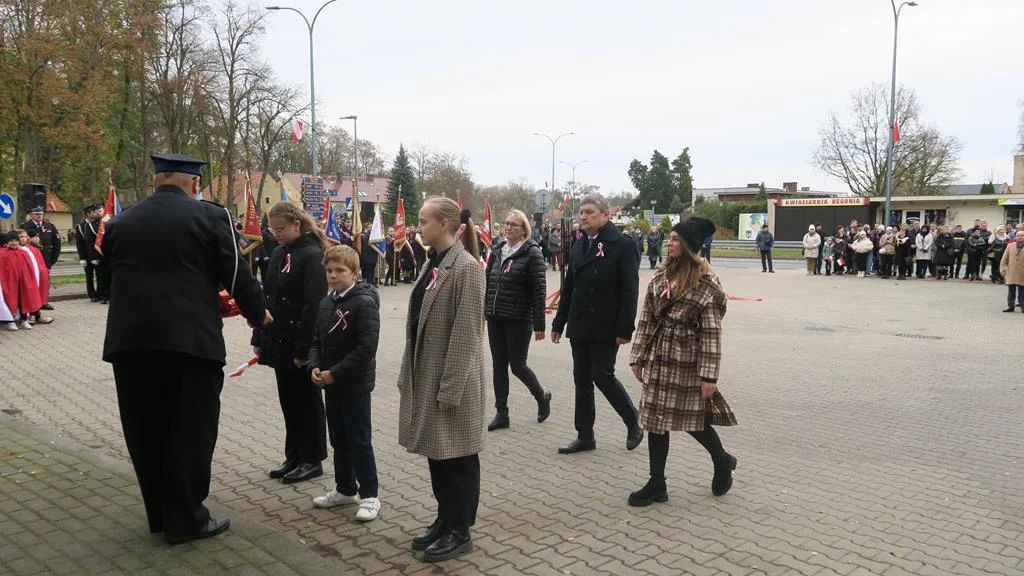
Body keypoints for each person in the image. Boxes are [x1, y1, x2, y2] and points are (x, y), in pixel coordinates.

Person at [101, 152, 267, 544]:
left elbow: (110, 271)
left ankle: (160, 515)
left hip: (130, 344)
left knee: (146, 430)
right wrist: (259, 315)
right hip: (189, 343)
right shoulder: (210, 217)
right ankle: (188, 519)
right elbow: (235, 273)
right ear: (194, 184)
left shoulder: (121, 223)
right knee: (191, 430)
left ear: (157, 181)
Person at [398, 198, 486, 563]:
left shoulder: (467, 268)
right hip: (429, 372)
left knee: (458, 459)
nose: (418, 228)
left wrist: (450, 389)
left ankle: (459, 530)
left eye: (423, 221)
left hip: (453, 380)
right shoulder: (434, 262)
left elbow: (466, 335)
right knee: (438, 454)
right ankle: (444, 519)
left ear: (447, 224)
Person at [627, 217, 737, 506]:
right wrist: (637, 357)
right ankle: (656, 484)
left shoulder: (706, 283)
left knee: (694, 421)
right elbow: (647, 319)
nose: (669, 243)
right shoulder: (661, 275)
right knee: (655, 420)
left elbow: (712, 332)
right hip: (659, 357)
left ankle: (722, 461)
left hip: (688, 359)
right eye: (670, 238)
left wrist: (709, 376)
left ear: (688, 246)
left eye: (676, 239)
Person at [551, 194, 642, 455]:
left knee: (602, 375)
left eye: (590, 212)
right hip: (580, 324)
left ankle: (632, 420)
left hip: (605, 324)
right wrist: (559, 322)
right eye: (581, 212)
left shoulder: (622, 245)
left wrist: (625, 328)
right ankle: (585, 435)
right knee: (581, 380)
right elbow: (569, 287)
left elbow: (629, 290)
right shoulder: (580, 245)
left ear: (605, 215)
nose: (583, 216)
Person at [252, 202, 329, 485]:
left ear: (297, 224)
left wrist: (303, 350)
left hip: (300, 342)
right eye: (273, 229)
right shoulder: (277, 253)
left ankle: (312, 458)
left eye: (281, 229)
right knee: (289, 401)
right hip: (278, 340)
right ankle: (294, 455)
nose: (277, 234)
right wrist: (259, 337)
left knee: (307, 401)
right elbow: (268, 298)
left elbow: (314, 306)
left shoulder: (313, 256)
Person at [308, 245, 382, 522]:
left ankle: (370, 494)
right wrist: (316, 366)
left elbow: (366, 348)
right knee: (339, 438)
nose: (333, 276)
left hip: (355, 384)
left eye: (340, 270)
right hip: (331, 383)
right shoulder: (327, 303)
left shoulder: (364, 302)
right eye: (329, 270)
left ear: (355, 272)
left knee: (359, 440)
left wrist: (335, 373)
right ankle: (345, 488)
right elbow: (317, 340)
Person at [484, 209, 551, 432]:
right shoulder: (497, 250)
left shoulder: (532, 253)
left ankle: (541, 396)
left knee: (517, 366)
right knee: (498, 365)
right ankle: (501, 412)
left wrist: (539, 324)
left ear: (524, 230)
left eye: (514, 224)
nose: (508, 227)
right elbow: (487, 281)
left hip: (519, 318)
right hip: (495, 316)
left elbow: (540, 290)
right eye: (506, 223)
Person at [0, 231, 42, 330]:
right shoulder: (2, 253)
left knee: (23, 301)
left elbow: (30, 268)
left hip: (23, 282)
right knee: (9, 301)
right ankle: (10, 321)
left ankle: (24, 320)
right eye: (11, 241)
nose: (14, 243)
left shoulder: (23, 253)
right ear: (6, 242)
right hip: (8, 282)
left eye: (16, 241)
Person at [20, 228, 53, 324]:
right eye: (21, 237)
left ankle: (36, 314)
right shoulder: (20, 250)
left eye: (25, 237)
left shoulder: (33, 249)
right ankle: (29, 316)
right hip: (27, 277)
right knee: (29, 295)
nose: (23, 239)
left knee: (36, 294)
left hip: (37, 276)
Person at [75, 203, 104, 302]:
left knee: (100, 275)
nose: (96, 214)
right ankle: (92, 295)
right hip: (87, 255)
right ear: (88, 214)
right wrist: (82, 257)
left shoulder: (99, 223)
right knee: (89, 276)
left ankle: (100, 294)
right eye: (93, 212)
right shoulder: (80, 226)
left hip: (97, 254)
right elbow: (80, 244)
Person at [1002, 224, 1024, 312]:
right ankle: (1010, 306)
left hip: (1023, 273)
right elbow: (1004, 259)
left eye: (1022, 235)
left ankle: (1023, 306)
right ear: (1015, 237)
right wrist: (1003, 269)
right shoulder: (1010, 246)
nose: (1020, 237)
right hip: (1012, 272)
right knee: (1011, 291)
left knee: (1022, 292)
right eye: (1018, 235)